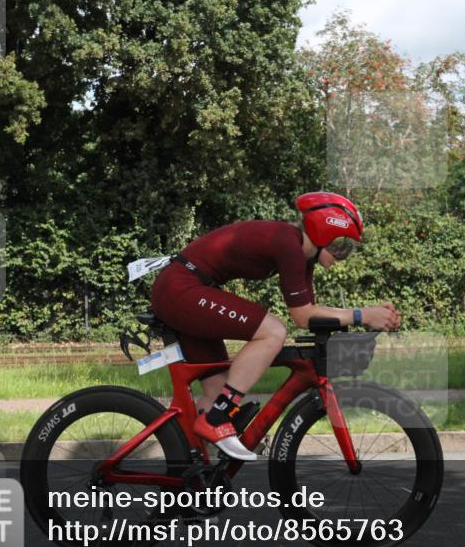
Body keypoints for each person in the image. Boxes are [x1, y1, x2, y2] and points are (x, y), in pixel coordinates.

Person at [150, 192, 401, 461]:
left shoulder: (300, 253)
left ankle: (196, 472)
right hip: (181, 289)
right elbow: (302, 317)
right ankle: (218, 418)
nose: (344, 253)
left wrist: (369, 314)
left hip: (185, 287)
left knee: (215, 389)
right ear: (323, 234)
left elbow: (311, 312)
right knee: (273, 332)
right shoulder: (288, 245)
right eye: (341, 244)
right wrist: (364, 315)